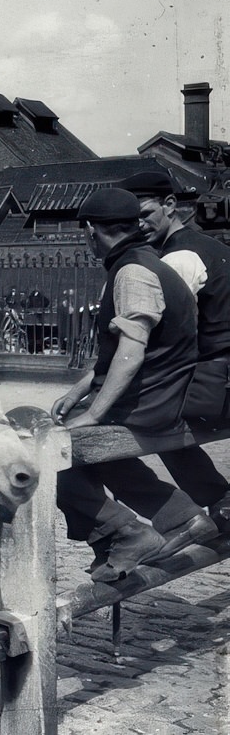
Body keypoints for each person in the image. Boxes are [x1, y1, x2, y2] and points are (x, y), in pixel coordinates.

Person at [52, 188, 216, 582]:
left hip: (153, 399)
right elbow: (119, 353)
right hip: (159, 392)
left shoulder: (131, 272)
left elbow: (133, 351)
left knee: (47, 449)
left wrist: (93, 413)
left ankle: (123, 533)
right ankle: (175, 517)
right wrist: (78, 391)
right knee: (75, 437)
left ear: (92, 231)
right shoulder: (145, 262)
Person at [121, 170, 230, 527]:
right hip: (220, 375)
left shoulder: (180, 258)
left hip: (216, 383)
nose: (138, 225)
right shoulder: (211, 247)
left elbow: (165, 333)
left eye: (144, 214)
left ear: (170, 205)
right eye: (130, 219)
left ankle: (201, 506)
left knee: (140, 423)